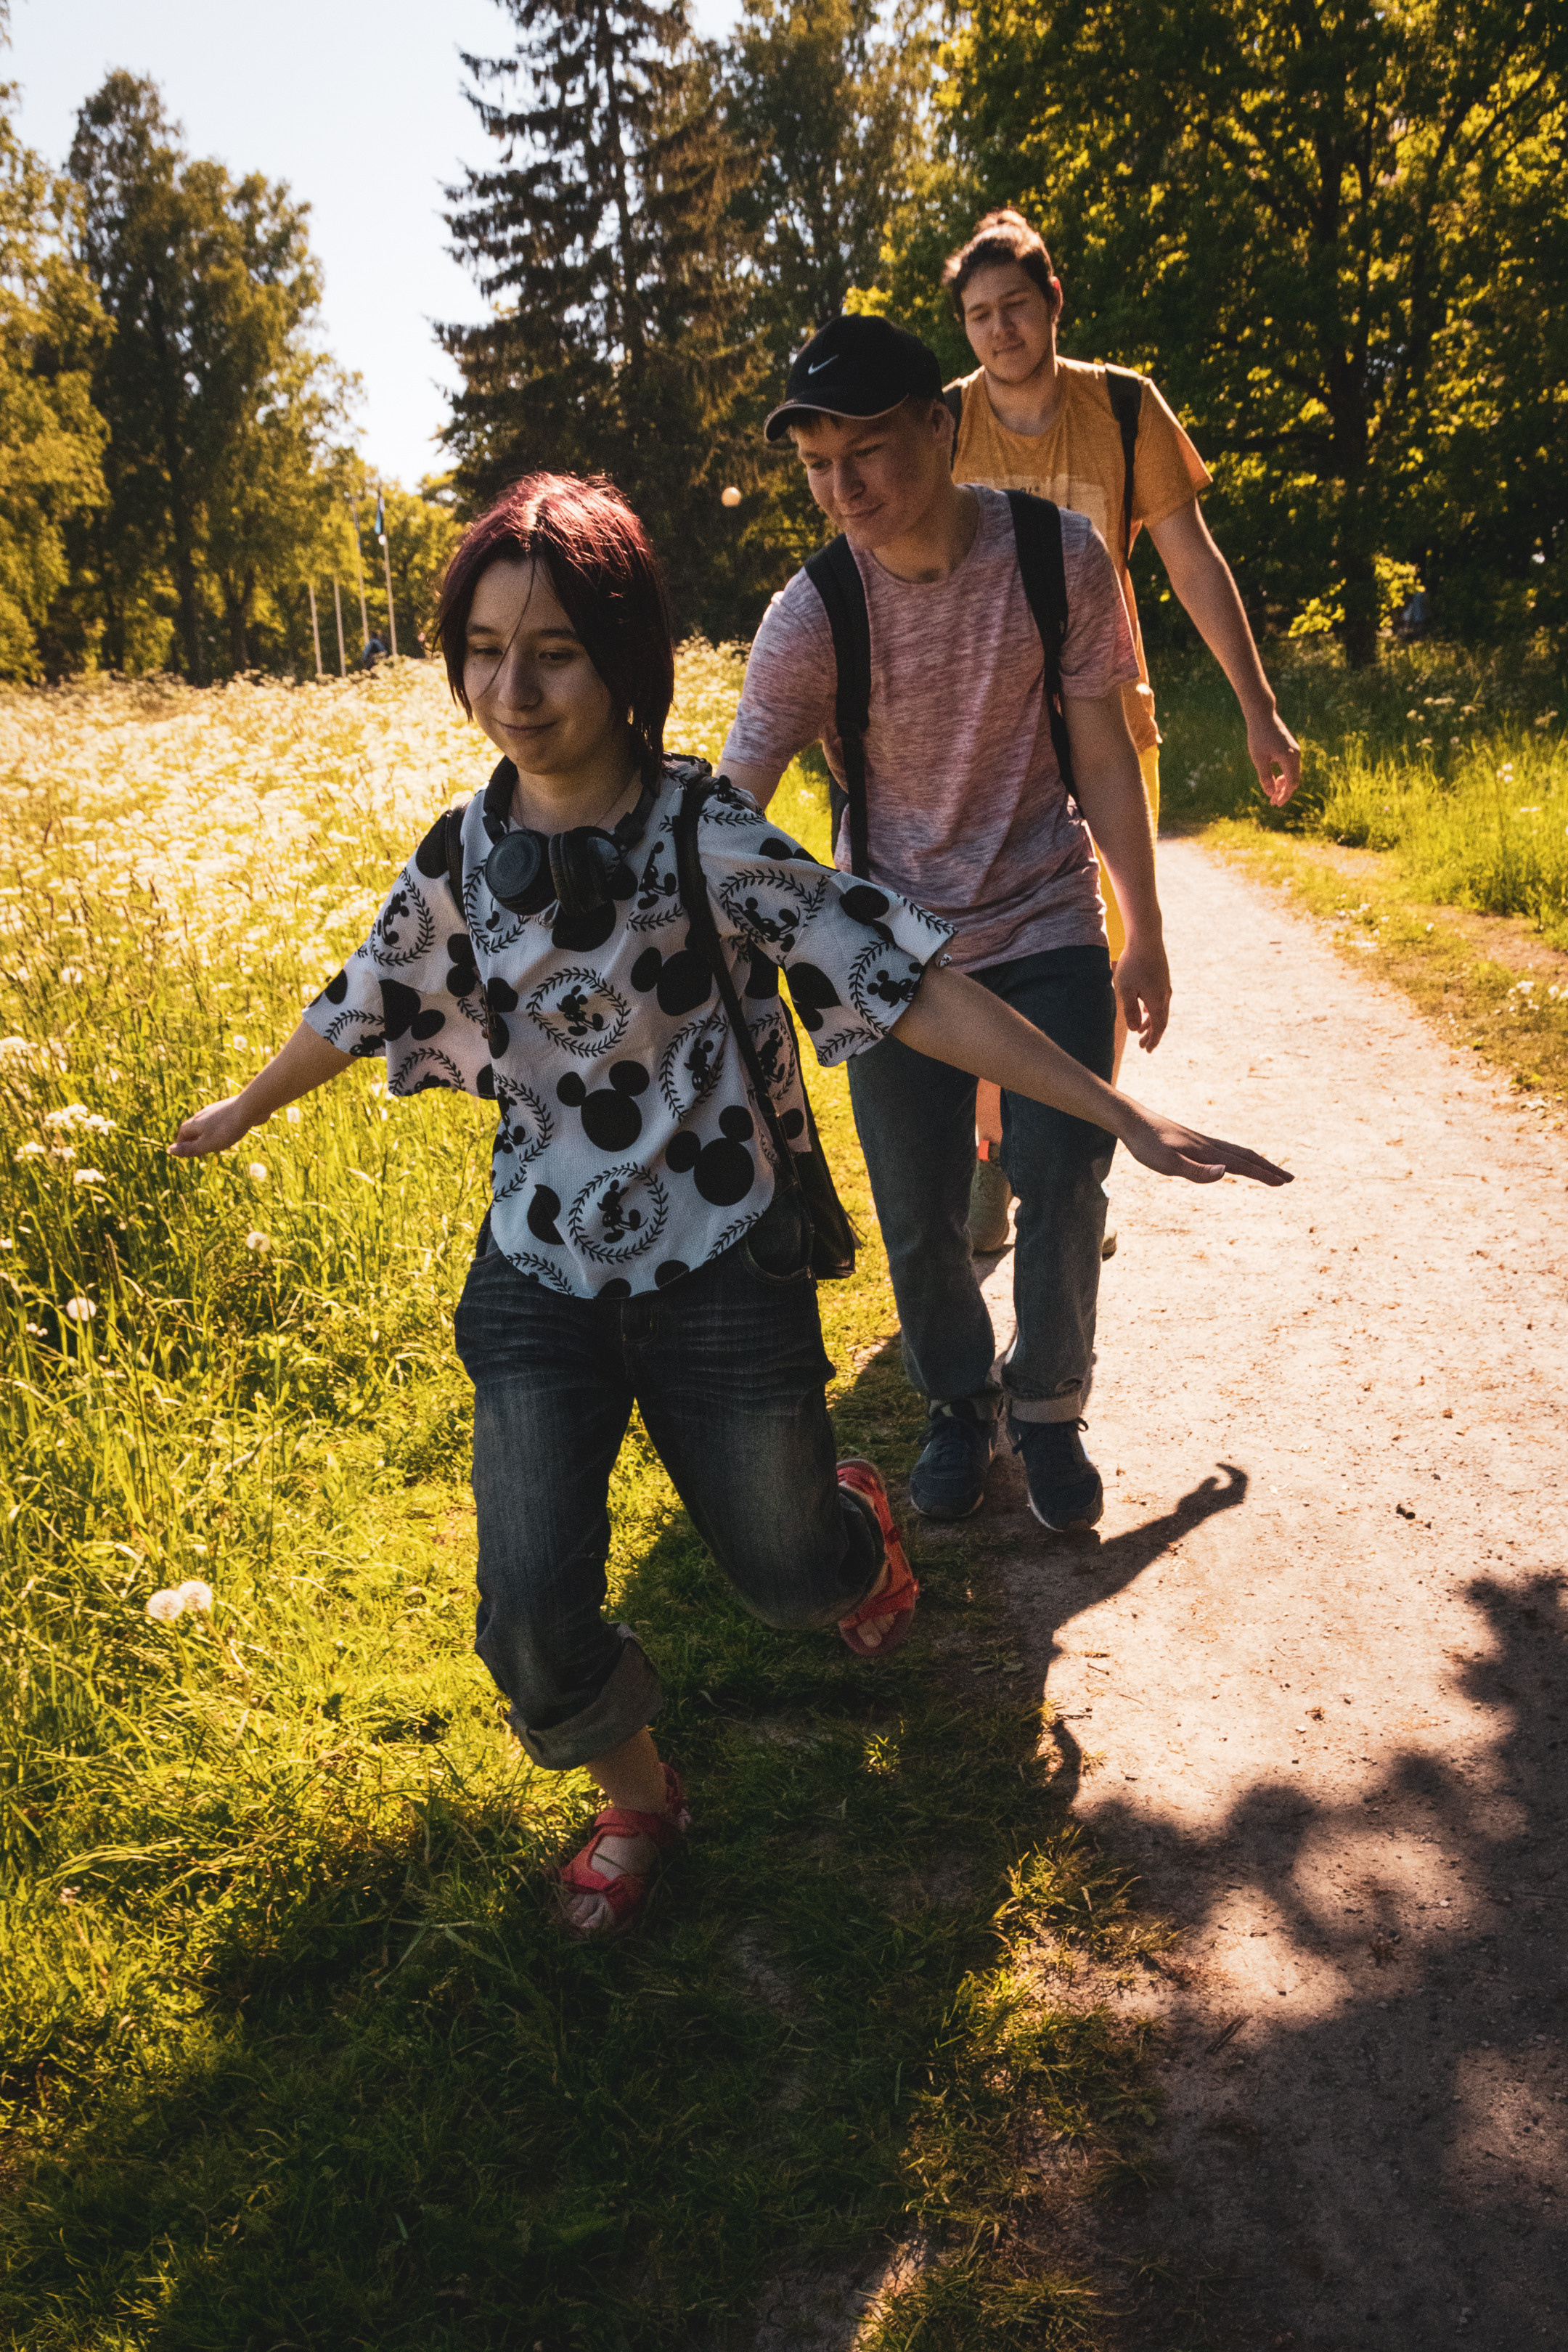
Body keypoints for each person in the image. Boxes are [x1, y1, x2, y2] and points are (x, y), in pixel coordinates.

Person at [172, 473, 1289, 1940]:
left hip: (718, 1270)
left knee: (785, 1582)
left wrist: (1119, 1110)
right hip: (539, 1274)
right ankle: (639, 1794)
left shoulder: (707, 832)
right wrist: (250, 1104)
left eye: (554, 649)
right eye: (486, 648)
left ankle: (852, 1532)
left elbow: (909, 982)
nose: (513, 687)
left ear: (625, 658)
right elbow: (367, 994)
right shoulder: (459, 856)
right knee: (522, 1616)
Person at [722, 311, 1183, 1532]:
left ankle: (1047, 1411)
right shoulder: (814, 612)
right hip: (889, 958)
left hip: (1044, 921)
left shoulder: (1060, 559)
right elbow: (731, 804)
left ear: (941, 424)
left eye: (865, 450)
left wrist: (1143, 927)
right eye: (817, 464)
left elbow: (1101, 750)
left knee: (1065, 1169)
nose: (843, 486)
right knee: (920, 1216)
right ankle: (956, 1404)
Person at [941, 208, 1302, 1251]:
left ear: (1053, 302)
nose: (1000, 330)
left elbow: (1193, 560)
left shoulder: (1124, 409)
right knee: (974, 948)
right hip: (981, 731)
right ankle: (993, 1158)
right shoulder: (943, 426)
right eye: (978, 315)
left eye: (1015, 306)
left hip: (1103, 719)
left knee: (1093, 947)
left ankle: (1076, 1170)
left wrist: (1258, 704)